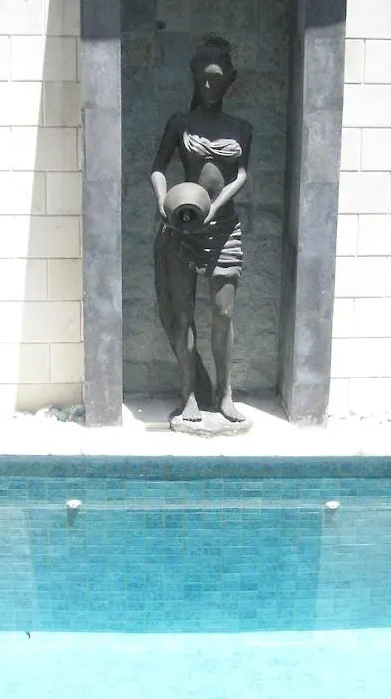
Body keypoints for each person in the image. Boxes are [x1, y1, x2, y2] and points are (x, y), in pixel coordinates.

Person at [150, 36, 254, 423]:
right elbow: (158, 168)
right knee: (183, 314)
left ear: (230, 80)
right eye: (203, 79)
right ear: (194, 77)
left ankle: (226, 394)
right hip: (184, 224)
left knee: (224, 313)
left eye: (217, 79)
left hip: (223, 229)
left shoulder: (241, 128)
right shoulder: (181, 123)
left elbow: (241, 175)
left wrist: (218, 206)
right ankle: (189, 395)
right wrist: (163, 200)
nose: (209, 86)